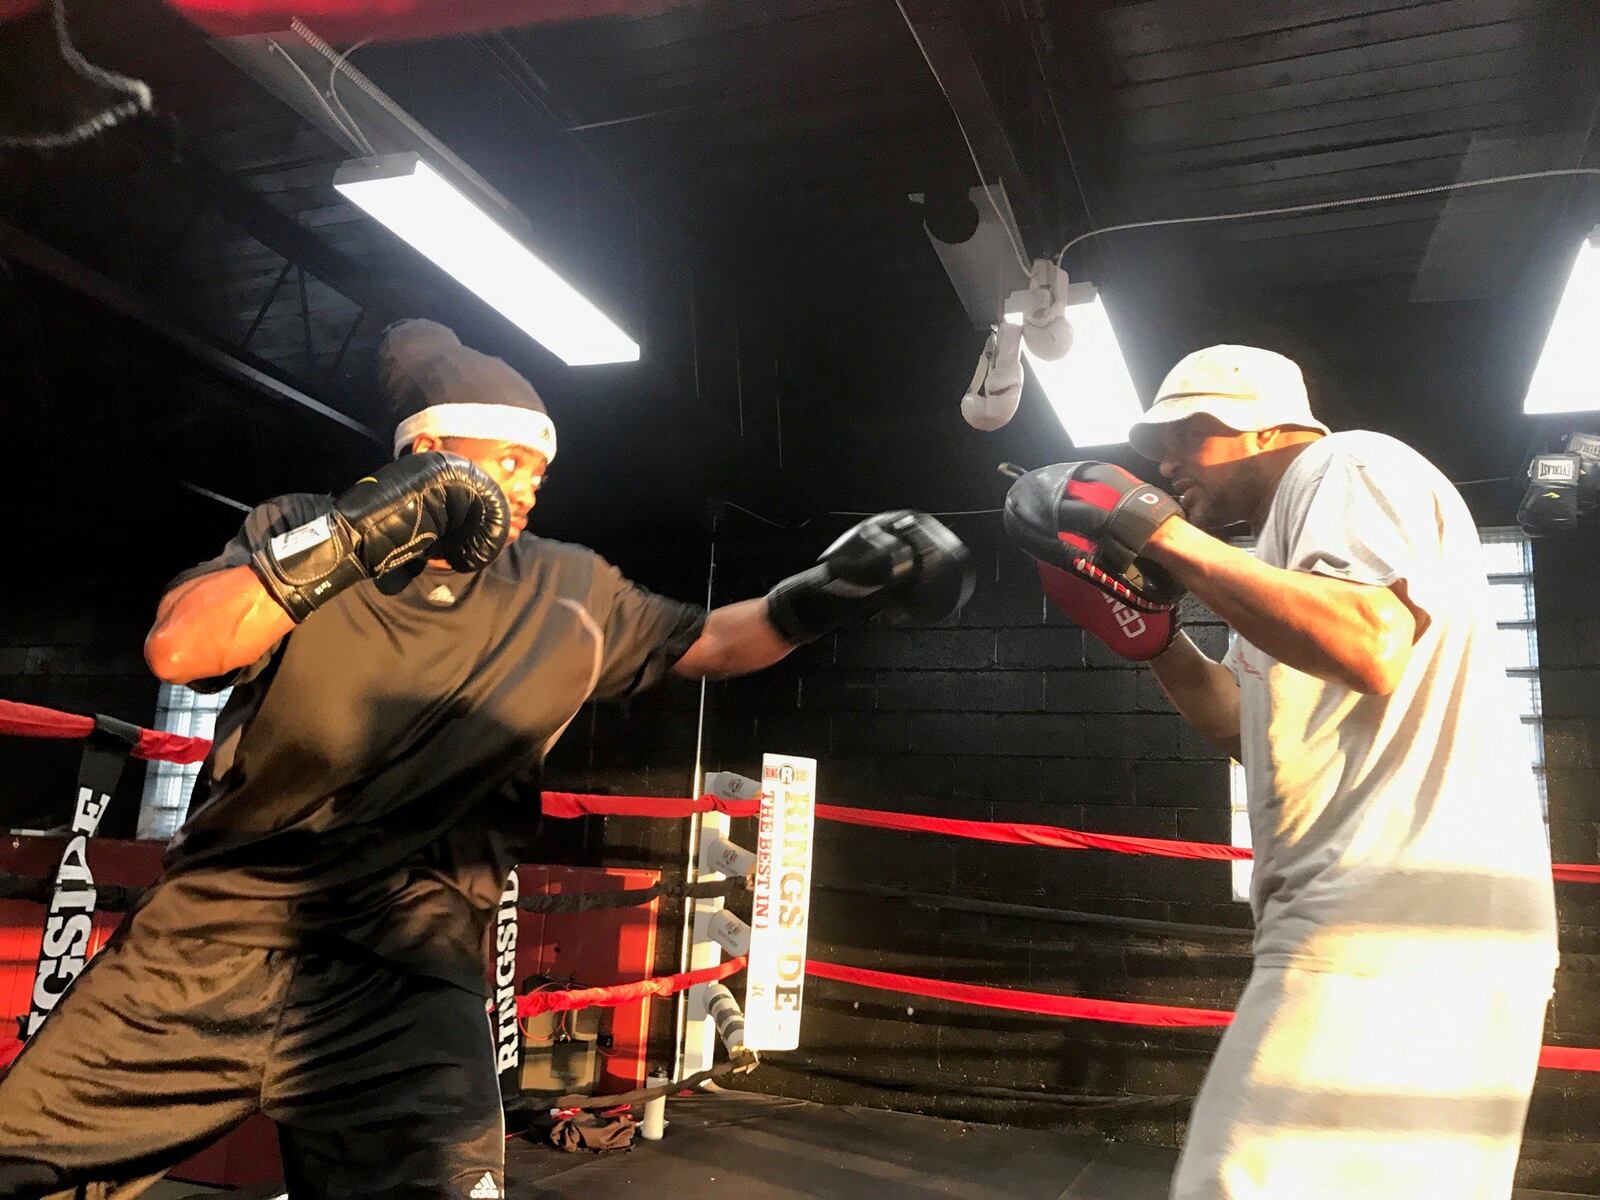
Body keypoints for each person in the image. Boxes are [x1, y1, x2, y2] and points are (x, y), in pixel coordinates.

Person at [0, 319, 973, 1200]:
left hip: (411, 978)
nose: (520, 486)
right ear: (424, 452)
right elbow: (182, 650)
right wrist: (360, 529)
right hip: (211, 944)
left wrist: (829, 592)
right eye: (499, 461)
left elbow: (716, 641)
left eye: (535, 472)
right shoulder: (299, 522)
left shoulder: (566, 589)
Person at [1005, 345, 1558, 1199]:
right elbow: (1245, 726)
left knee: (1239, 1184)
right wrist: (1152, 638)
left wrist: (1157, 529)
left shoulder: (1346, 463)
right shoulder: (1279, 558)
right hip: (1407, 921)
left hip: (1389, 916)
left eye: (1188, 434)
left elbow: (1370, 643)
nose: (1165, 462)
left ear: (1265, 427)